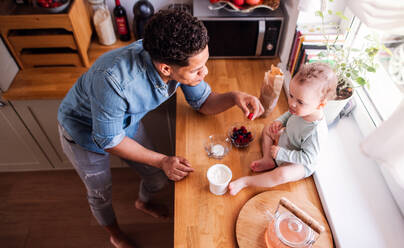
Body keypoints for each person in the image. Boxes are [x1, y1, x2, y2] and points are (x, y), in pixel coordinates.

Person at [57, 9, 264, 248]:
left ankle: (142, 202)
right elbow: (109, 140)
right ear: (166, 69)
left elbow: (203, 103)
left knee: (156, 179)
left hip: (127, 123)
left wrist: (234, 97)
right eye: (197, 70)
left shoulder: (175, 57)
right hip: (84, 134)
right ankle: (115, 233)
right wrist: (162, 160)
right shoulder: (112, 80)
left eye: (205, 63)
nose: (204, 73)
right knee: (100, 194)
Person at [229, 63, 337, 196]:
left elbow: (308, 158)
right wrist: (279, 121)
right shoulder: (301, 109)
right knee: (268, 129)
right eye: (291, 96)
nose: (292, 103)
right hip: (286, 142)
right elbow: (289, 113)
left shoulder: (316, 132)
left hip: (299, 161)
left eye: (300, 102)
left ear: (321, 104)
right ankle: (268, 159)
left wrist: (282, 154)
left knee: (282, 174)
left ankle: (246, 182)